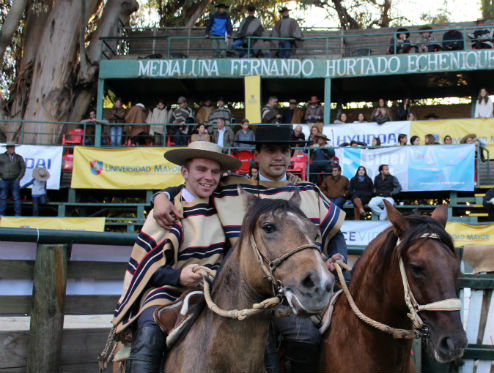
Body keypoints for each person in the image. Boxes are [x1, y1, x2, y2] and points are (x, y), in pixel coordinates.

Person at [150, 124, 347, 373]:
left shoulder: (308, 191)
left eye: (285, 151)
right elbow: (191, 188)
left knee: (307, 339)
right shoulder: (231, 189)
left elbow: (336, 232)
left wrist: (337, 255)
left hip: (297, 289)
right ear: (255, 156)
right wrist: (160, 197)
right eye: (270, 150)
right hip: (242, 294)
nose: (279, 157)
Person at [111, 141, 241, 373]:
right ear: (184, 172)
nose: (209, 177)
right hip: (169, 290)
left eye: (214, 172)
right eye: (201, 169)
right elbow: (146, 268)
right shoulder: (166, 211)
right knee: (151, 327)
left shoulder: (227, 204)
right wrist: (178, 276)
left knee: (262, 330)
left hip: (219, 288)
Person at [0, 141, 26, 217]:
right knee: (2, 197)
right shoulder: (1, 156)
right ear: (7, 148)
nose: (13, 149)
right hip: (3, 180)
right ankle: (1, 214)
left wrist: (18, 178)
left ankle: (17, 215)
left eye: (13, 147)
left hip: (15, 180)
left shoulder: (18, 157)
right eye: (11, 147)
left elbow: (23, 168)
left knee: (16, 197)